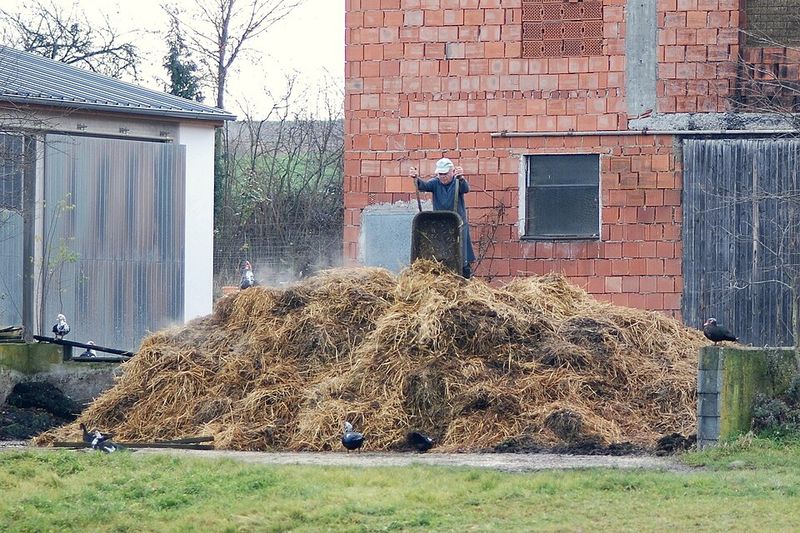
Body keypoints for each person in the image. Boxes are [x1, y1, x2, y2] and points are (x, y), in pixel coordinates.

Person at [409, 157, 476, 278]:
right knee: (442, 251)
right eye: (440, 174)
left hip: (457, 224)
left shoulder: (457, 182)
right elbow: (423, 186)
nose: (443, 177)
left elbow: (465, 188)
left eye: (445, 174)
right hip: (441, 225)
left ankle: (464, 275)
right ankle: (443, 274)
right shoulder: (435, 183)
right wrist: (415, 178)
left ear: (452, 172)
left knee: (462, 252)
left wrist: (461, 178)